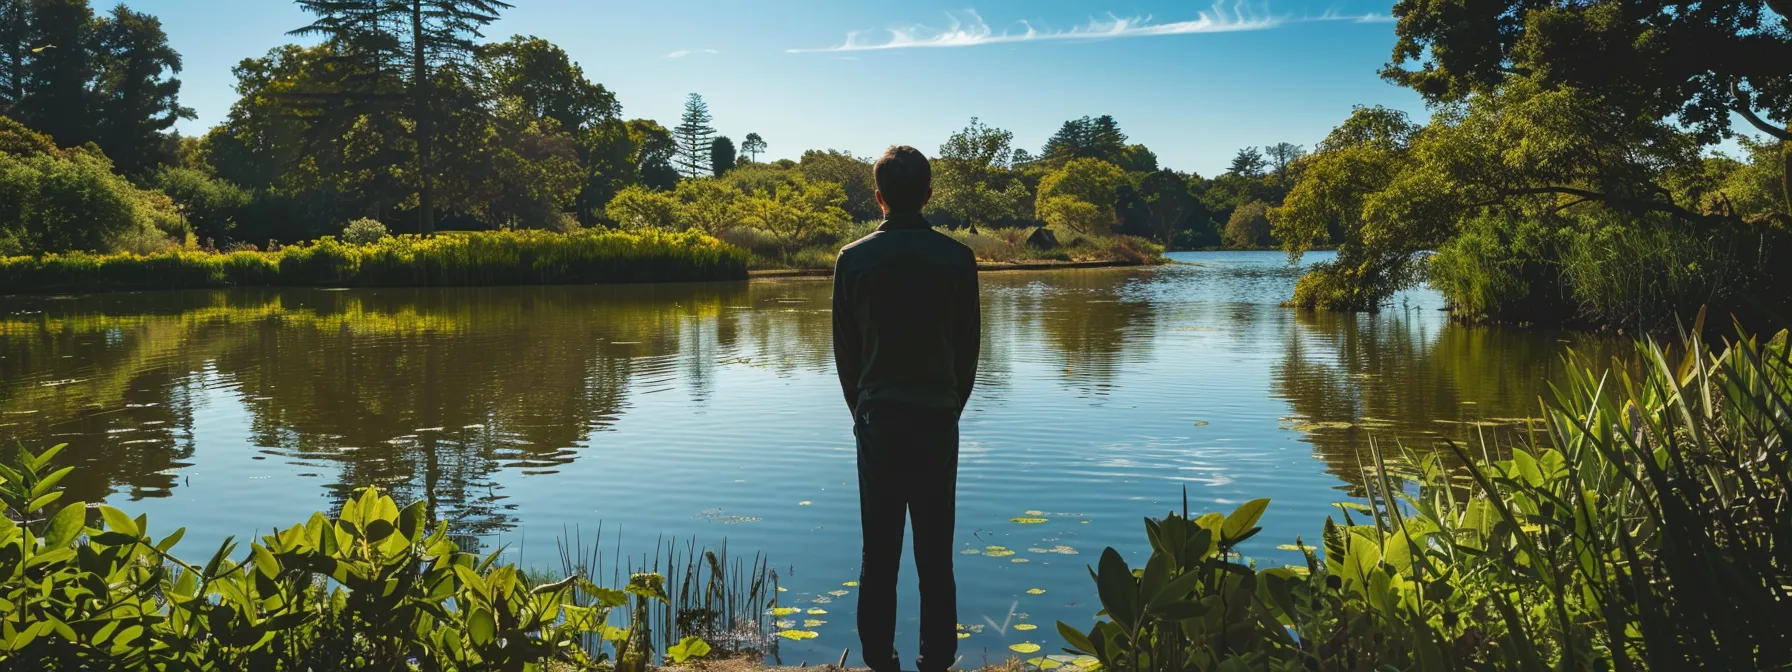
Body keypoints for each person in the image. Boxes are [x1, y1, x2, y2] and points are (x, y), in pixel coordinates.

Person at [833, 145, 981, 672]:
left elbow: (845, 355)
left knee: (880, 552)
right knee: (935, 553)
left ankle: (878, 660)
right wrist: (947, 405)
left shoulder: (853, 260)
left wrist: (864, 410)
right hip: (938, 416)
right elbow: (968, 352)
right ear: (929, 194)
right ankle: (937, 660)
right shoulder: (958, 259)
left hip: (877, 419)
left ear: (879, 199)